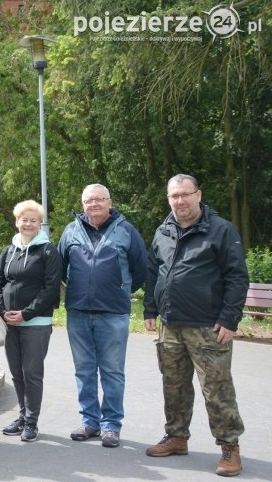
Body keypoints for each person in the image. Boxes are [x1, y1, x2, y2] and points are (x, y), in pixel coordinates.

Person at [143, 174, 248, 477]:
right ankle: (176, 437)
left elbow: (237, 277)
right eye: (174, 196)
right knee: (173, 386)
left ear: (198, 195)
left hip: (208, 327)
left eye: (185, 194)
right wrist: (151, 308)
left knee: (217, 390)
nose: (180, 201)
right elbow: (154, 273)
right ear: (168, 199)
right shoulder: (163, 232)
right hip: (170, 324)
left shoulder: (221, 230)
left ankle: (230, 448)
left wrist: (230, 318)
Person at [57, 184, 147, 448]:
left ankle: (111, 426)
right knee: (84, 371)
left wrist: (119, 289)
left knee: (112, 371)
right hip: (78, 312)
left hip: (113, 313)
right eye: (88, 200)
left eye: (99, 199)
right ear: (82, 204)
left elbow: (140, 268)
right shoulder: (70, 231)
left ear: (110, 202)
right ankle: (89, 422)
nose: (93, 204)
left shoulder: (127, 231)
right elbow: (61, 268)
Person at [0, 200, 62, 442]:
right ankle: (22, 417)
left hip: (36, 323)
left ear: (39, 224)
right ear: (16, 221)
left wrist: (26, 313)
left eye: (33, 220)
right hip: (9, 323)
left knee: (32, 372)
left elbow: (51, 289)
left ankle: (32, 423)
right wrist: (2, 310)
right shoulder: (8, 250)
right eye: (24, 219)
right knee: (16, 373)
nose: (28, 224)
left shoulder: (47, 251)